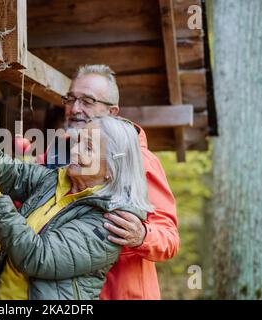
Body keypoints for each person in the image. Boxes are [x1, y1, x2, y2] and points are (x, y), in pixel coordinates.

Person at [0, 61, 152, 300]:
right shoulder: (54, 180)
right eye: (79, 141)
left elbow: (38, 257)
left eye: (88, 147)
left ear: (111, 170)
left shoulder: (107, 224)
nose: (76, 150)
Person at [44, 64, 180, 300]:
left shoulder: (139, 160)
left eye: (87, 101)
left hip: (122, 294)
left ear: (113, 112)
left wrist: (142, 236)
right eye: (71, 99)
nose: (75, 109)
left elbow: (169, 238)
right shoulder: (55, 152)